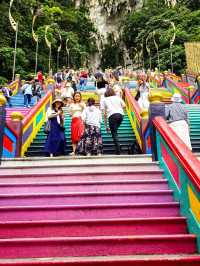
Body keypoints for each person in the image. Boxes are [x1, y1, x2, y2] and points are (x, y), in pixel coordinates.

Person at [102, 87, 126, 155]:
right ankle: (118, 144)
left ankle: (118, 148)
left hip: (112, 116)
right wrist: (122, 112)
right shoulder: (117, 97)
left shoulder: (105, 99)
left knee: (114, 133)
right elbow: (124, 106)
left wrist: (106, 126)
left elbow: (104, 113)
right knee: (115, 131)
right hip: (121, 115)